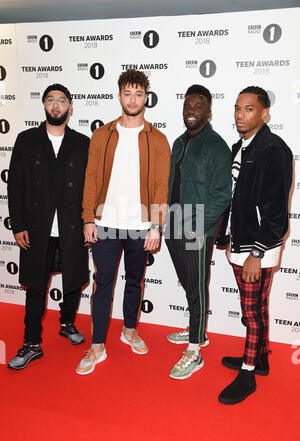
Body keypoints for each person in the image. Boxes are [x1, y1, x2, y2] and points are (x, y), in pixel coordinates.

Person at [76, 69, 170, 375]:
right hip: (105, 223)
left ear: (146, 97)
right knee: (102, 283)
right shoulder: (102, 135)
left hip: (140, 226)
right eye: (127, 93)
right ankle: (97, 345)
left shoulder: (158, 139)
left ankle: (129, 329)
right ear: (119, 96)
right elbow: (90, 178)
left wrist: (156, 226)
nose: (133, 99)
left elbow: (160, 186)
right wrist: (88, 218)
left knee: (134, 280)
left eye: (139, 94)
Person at [216, 86, 293, 404]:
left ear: (265, 113)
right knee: (252, 310)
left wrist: (256, 253)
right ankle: (259, 358)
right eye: (236, 108)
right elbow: (235, 198)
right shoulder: (241, 146)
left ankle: (248, 373)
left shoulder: (274, 149)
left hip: (258, 247)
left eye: (248, 109)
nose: (240, 114)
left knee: (253, 310)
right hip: (241, 240)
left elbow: (276, 210)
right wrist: (226, 236)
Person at [7, 84, 90, 370]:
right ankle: (31, 343)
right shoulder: (26, 140)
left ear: (70, 106)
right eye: (51, 100)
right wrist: (17, 224)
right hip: (37, 228)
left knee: (73, 281)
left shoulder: (82, 143)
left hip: (72, 227)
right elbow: (15, 185)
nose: (56, 105)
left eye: (62, 100)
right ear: (44, 104)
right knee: (35, 286)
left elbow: (90, 190)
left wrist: (89, 222)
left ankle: (67, 323)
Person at [165, 84, 232, 380]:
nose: (191, 111)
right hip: (173, 222)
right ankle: (198, 329)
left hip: (196, 227)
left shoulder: (216, 145)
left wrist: (203, 229)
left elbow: (222, 195)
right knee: (188, 281)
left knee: (198, 285)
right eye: (187, 106)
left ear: (208, 111)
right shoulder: (179, 142)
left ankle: (195, 349)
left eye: (197, 107)